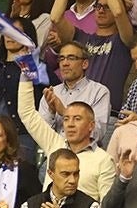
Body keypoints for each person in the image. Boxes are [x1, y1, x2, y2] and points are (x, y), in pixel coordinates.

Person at [51, 0, 135, 124]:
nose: (101, 10)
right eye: (98, 6)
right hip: (75, 114)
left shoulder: (124, 40)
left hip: (108, 117)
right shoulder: (82, 38)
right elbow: (56, 17)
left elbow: (119, 12)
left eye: (107, 6)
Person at [18, 71, 115, 201]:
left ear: (91, 126)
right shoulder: (55, 144)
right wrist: (26, 72)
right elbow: (27, 113)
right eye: (66, 119)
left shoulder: (103, 160)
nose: (70, 124)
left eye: (77, 119)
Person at [0, 19, 46, 162]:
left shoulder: (37, 66)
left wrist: (28, 63)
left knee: (20, 179)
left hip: (22, 136)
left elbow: (49, 95)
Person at [39, 41, 110, 139]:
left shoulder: (99, 92)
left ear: (84, 64)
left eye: (71, 58)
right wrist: (51, 112)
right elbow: (41, 136)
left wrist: (64, 112)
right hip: (55, 152)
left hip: (84, 153)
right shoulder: (51, 94)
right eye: (61, 58)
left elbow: (96, 134)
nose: (65, 63)